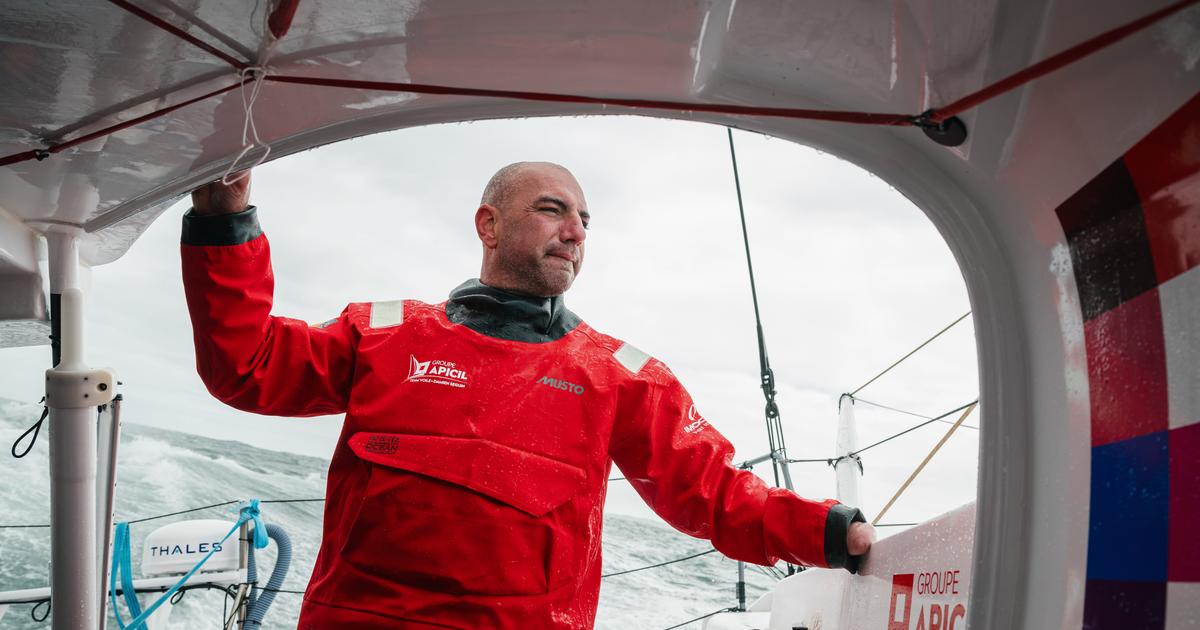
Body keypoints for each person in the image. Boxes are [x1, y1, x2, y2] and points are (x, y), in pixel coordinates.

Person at [182, 163, 874, 629]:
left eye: (583, 220)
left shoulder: (621, 378)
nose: (574, 232)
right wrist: (225, 220)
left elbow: (714, 494)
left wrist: (828, 530)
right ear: (488, 225)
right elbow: (248, 366)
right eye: (552, 211)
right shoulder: (382, 335)